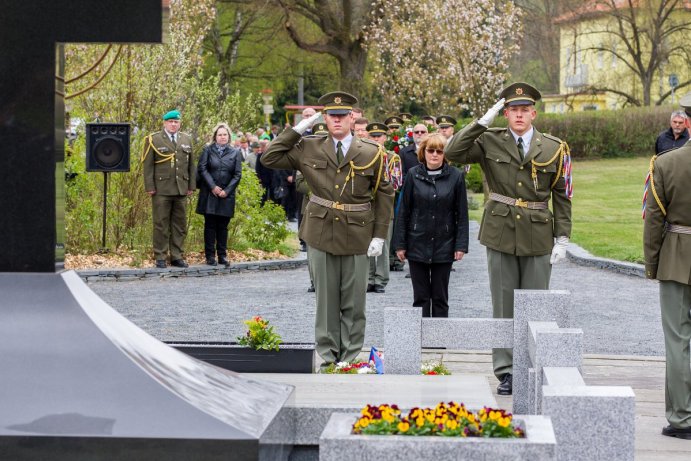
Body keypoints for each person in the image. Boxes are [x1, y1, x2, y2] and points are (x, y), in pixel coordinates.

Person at [444, 82, 573, 395]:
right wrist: (480, 122)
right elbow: (452, 151)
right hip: (500, 230)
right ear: (505, 113)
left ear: (533, 113)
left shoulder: (555, 147)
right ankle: (506, 371)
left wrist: (563, 237)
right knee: (503, 304)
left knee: (536, 304)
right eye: (512, 110)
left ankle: (533, 363)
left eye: (524, 110)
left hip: (539, 232)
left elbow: (562, 194)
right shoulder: (490, 140)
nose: (518, 115)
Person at [261, 91, 394, 368]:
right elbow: (270, 158)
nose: (336, 120)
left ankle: (349, 357)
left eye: (341, 116)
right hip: (320, 232)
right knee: (325, 301)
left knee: (354, 301)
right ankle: (328, 356)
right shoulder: (308, 146)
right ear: (325, 118)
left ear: (352, 118)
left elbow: (384, 195)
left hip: (358, 232)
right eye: (331, 116)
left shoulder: (371, 151)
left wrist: (379, 235)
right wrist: (299, 128)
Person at [644, 93, 691, 440]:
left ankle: (681, 418)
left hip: (676, 256)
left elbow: (654, 219)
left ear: (687, 121)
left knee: (677, 341)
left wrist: (652, 264)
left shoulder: (665, 163)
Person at [394, 133, 469, 317]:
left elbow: (462, 214)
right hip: (417, 241)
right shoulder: (413, 175)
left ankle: (439, 340)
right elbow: (404, 210)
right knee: (420, 296)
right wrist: (400, 244)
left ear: (445, 154)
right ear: (423, 152)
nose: (435, 155)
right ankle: (420, 340)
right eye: (431, 150)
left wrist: (460, 245)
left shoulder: (456, 177)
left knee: (440, 296)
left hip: (444, 243)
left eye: (439, 151)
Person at [142, 109, 195, 268]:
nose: (173, 124)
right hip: (161, 189)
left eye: (176, 122)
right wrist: (149, 186)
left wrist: (191, 185)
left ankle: (177, 256)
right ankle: (160, 255)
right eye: (170, 122)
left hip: (181, 189)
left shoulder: (186, 139)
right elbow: (148, 165)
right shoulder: (153, 139)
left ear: (180, 124)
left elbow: (191, 165)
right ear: (164, 123)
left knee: (179, 225)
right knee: (161, 224)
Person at [196, 122, 242, 266]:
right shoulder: (207, 150)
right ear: (215, 137)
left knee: (223, 226)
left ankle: (222, 255)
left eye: (225, 134)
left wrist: (226, 191)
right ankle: (210, 256)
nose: (222, 137)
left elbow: (237, 174)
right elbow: (202, 169)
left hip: (226, 195)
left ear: (229, 136)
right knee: (210, 226)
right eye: (220, 135)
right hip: (210, 194)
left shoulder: (235, 153)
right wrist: (213, 187)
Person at [366, 122, 403, 293]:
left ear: (385, 138)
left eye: (378, 136)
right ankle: (368, 278)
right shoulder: (363, 156)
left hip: (383, 206)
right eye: (372, 136)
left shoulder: (392, 158)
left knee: (383, 243)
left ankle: (380, 279)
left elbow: (396, 184)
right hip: (365, 207)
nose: (375, 139)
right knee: (365, 243)